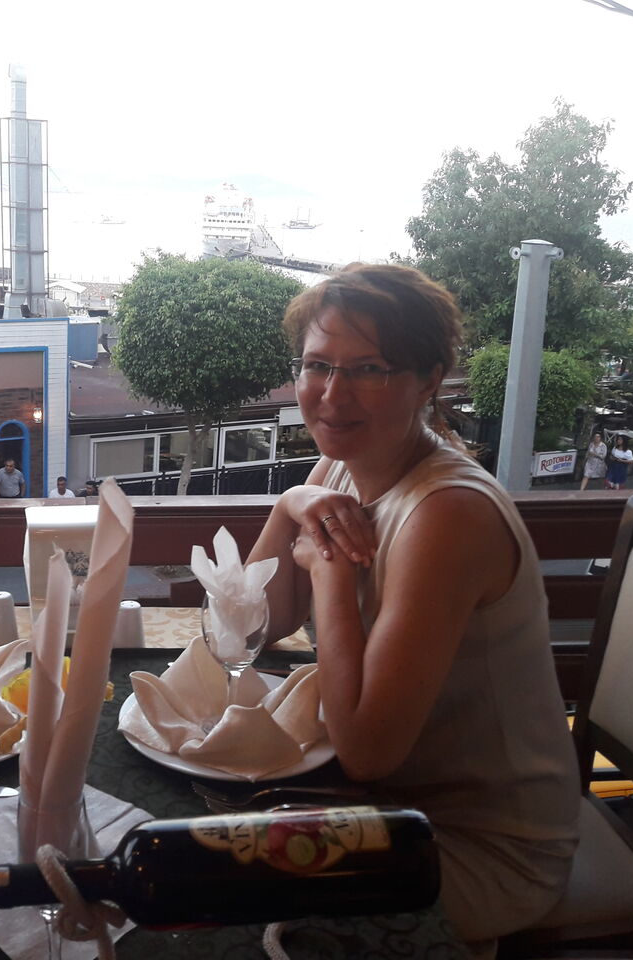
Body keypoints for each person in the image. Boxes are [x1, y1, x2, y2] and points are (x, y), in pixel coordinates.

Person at [248, 264, 579, 954]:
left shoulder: (447, 513)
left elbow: (368, 751)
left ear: (430, 380)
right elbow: (254, 625)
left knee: (231, 888)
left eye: (369, 369)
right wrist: (289, 505)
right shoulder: (340, 468)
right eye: (317, 365)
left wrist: (329, 570)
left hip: (483, 844)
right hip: (389, 803)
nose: (332, 394)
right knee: (211, 837)